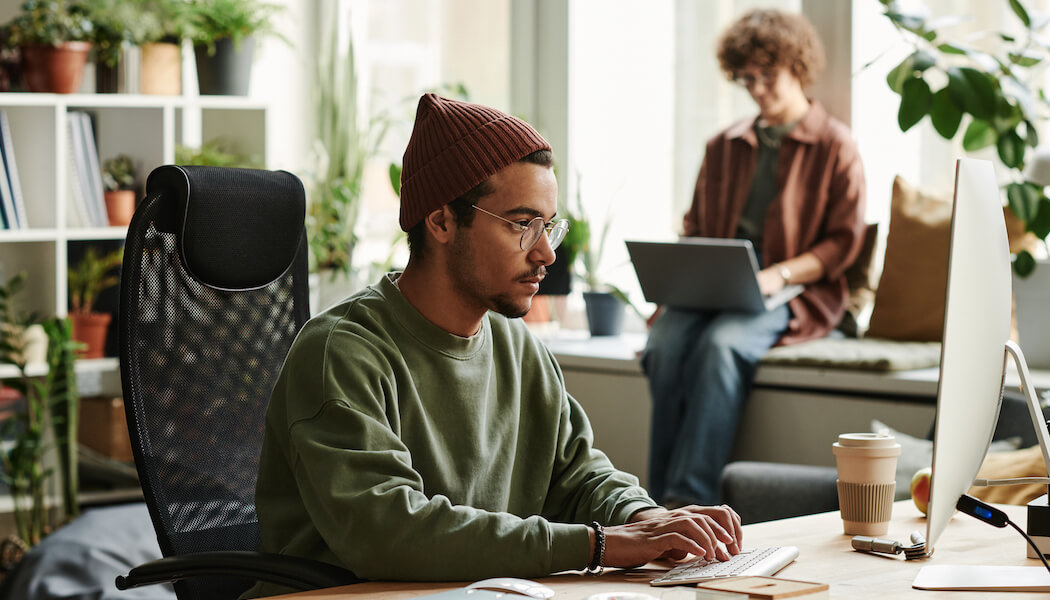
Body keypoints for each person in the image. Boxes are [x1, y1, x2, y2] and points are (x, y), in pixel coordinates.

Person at [247, 94, 743, 597]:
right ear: (441, 221)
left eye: (548, 225)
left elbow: (576, 473)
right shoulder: (342, 352)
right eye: (523, 224)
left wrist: (649, 521)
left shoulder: (516, 344)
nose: (546, 251)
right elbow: (389, 533)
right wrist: (600, 545)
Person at [642, 9, 866, 508]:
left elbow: (841, 244)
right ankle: (651, 505)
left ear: (797, 67)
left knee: (722, 347)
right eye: (748, 79)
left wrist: (777, 275)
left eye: (769, 76)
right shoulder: (723, 145)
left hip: (794, 286)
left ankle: (688, 502)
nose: (758, 89)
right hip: (717, 278)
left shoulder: (835, 145)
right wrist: (686, 277)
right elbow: (696, 227)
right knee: (665, 344)